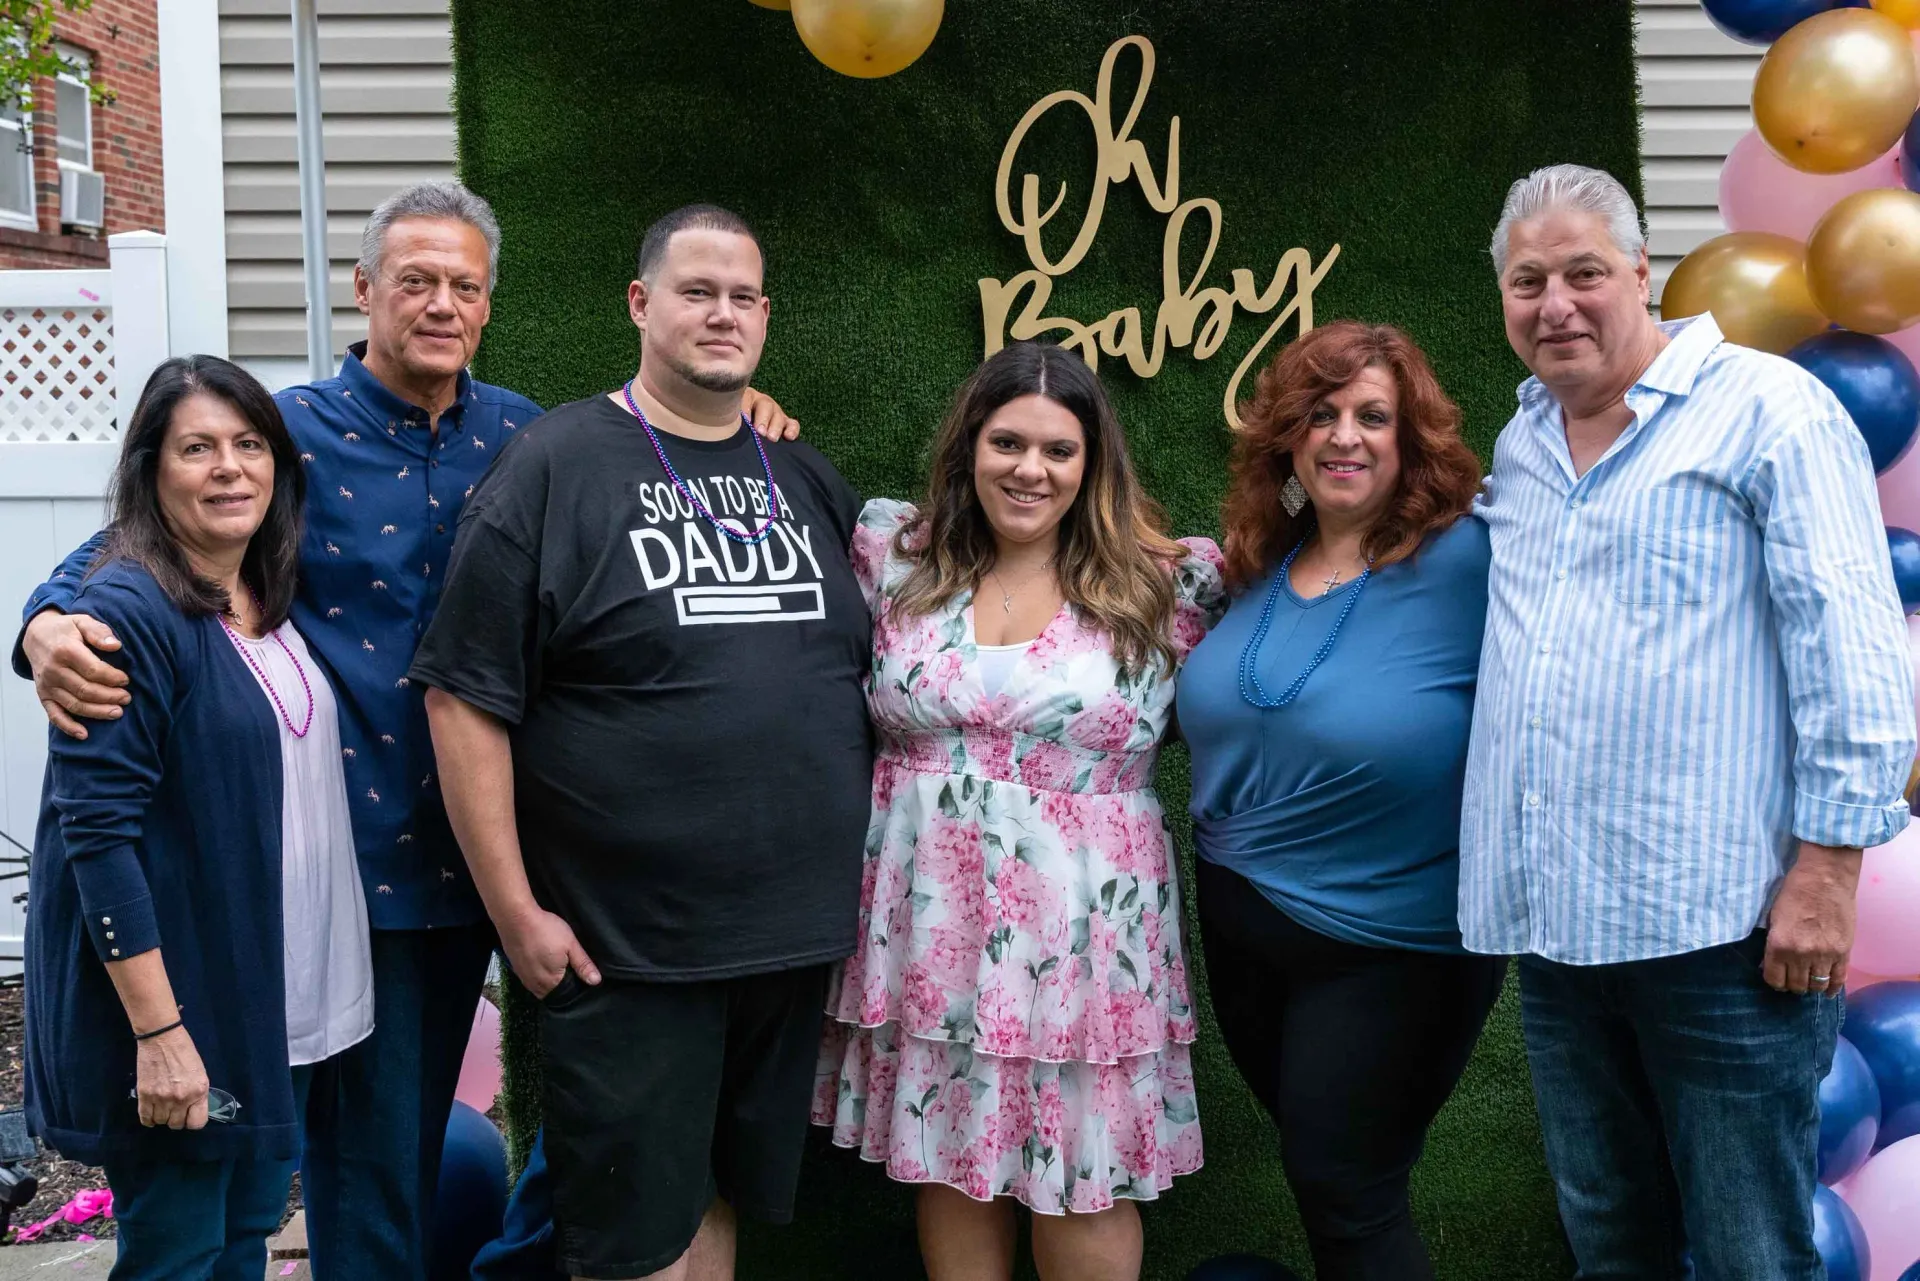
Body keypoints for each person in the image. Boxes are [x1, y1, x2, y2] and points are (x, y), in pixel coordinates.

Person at [15, 183, 795, 1281]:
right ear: (365, 290)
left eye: (464, 285)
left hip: (504, 858)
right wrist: (45, 621)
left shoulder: (527, 434)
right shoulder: (284, 435)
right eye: (416, 280)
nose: (441, 304)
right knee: (365, 1163)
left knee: (544, 1119)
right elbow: (146, 532)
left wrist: (742, 416)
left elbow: (657, 446)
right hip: (347, 861)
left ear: (488, 304)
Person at [1467, 164, 1916, 1277]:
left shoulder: (1770, 410)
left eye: (1582, 273)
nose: (1555, 304)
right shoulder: (1521, 443)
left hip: (1727, 933)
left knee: (1748, 1250)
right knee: (1612, 1240)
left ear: (1640, 273)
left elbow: (1853, 649)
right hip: (1564, 937)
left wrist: (1827, 872)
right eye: (1528, 282)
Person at [412, 202, 870, 1281]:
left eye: (742, 295)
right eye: (695, 290)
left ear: (765, 316)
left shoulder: (803, 478)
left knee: (715, 1210)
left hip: (790, 944)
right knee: (634, 1247)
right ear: (640, 303)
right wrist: (516, 912)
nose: (722, 313)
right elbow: (462, 699)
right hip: (630, 950)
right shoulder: (556, 465)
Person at [812, 339, 1223, 1281]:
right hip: (933, 927)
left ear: (1092, 464)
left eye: (1058, 449)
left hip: (1087, 938)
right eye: (1006, 442)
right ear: (968, 448)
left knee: (1084, 1175)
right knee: (953, 1167)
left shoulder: (1166, 584)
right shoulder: (895, 556)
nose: (1029, 469)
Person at [23, 356, 371, 1281]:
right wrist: (158, 1033)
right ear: (151, 472)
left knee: (247, 1227)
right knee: (178, 1250)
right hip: (183, 1004)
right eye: (197, 448)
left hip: (270, 994)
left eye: (249, 444)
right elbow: (96, 834)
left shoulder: (266, 585)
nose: (229, 467)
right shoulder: (126, 611)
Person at [1173, 321, 1508, 1279]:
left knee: (1346, 1191)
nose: (1344, 437)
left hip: (1395, 949)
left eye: (1373, 416)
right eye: (1321, 415)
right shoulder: (1255, 570)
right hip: (1243, 935)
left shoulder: (1471, 557)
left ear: (1413, 442)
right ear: (1288, 437)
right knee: (1333, 1179)